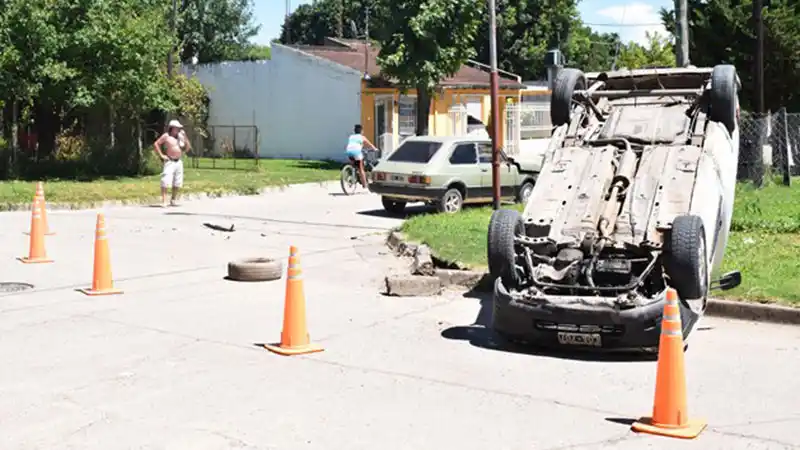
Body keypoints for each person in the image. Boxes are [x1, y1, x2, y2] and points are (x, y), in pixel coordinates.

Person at [154, 119, 191, 207]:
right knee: (166, 180)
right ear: (172, 128)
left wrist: (185, 137)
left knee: (177, 181)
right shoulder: (166, 136)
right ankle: (164, 200)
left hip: (178, 161)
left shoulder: (180, 137)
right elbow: (156, 144)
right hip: (170, 160)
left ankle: (173, 199)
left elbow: (188, 148)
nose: (178, 130)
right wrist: (161, 155)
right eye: (177, 128)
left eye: (179, 128)